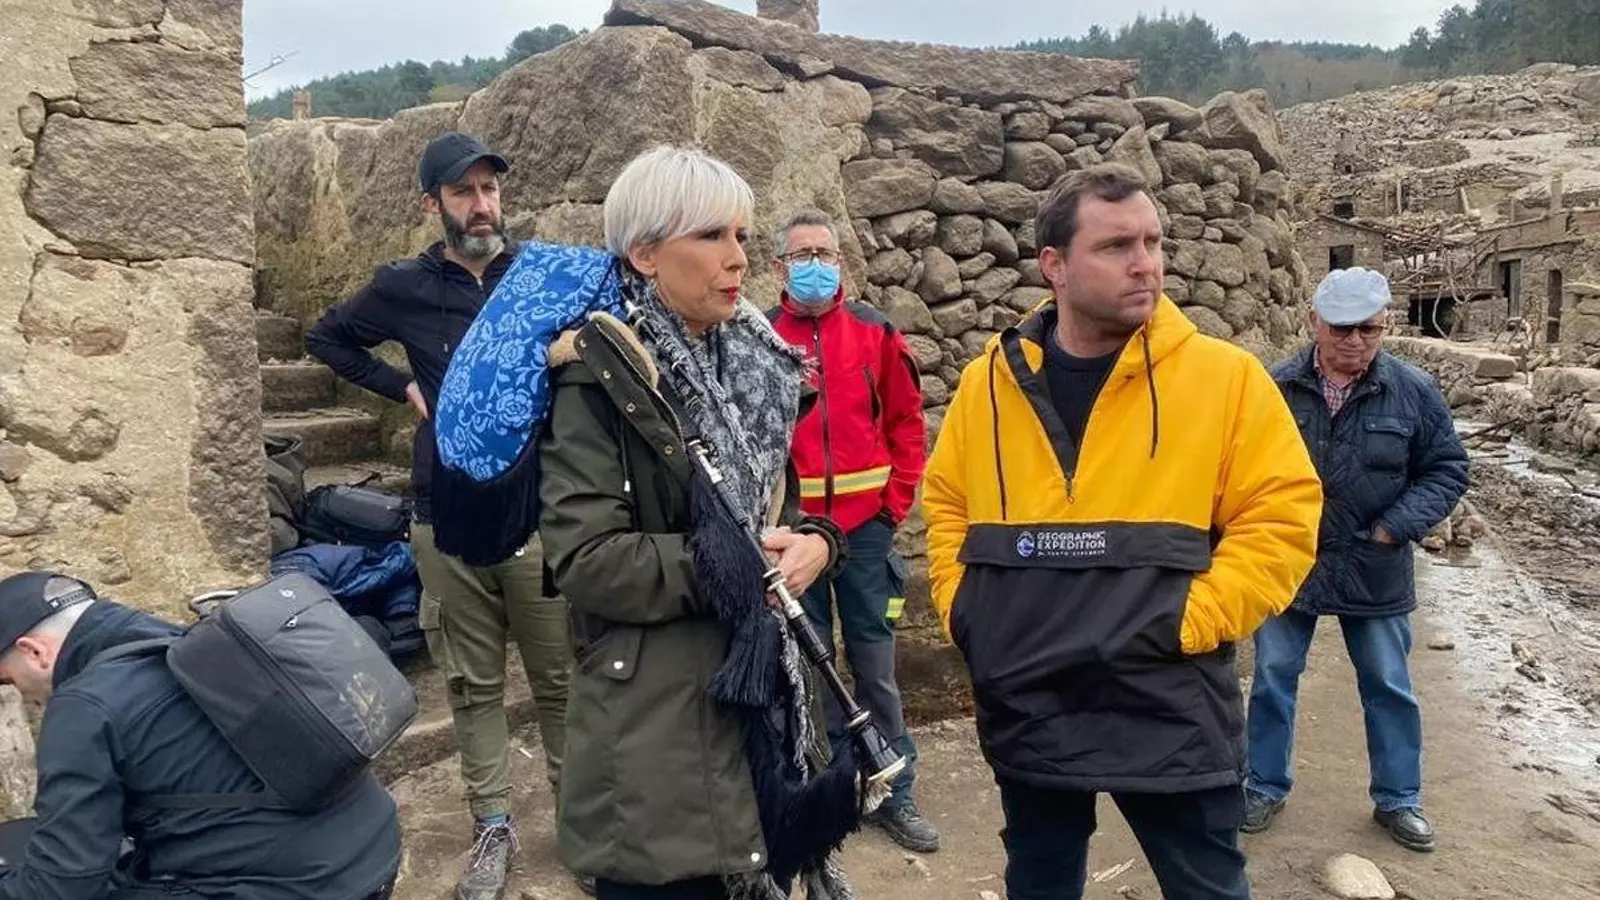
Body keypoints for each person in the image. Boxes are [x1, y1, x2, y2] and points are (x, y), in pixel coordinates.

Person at [920, 162, 1324, 900]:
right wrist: (968, 611)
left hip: (1167, 696)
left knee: (1206, 888)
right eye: (1115, 246)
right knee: (1039, 883)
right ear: (1054, 266)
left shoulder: (1225, 380)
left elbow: (1282, 516)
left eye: (1153, 242)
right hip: (1029, 696)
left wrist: (1188, 620)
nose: (1145, 264)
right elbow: (947, 501)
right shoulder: (989, 384)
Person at [536, 145, 862, 900]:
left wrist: (818, 544)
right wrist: (737, 566)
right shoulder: (599, 379)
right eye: (712, 235)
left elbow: (776, 514)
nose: (738, 257)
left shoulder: (757, 363)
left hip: (762, 703)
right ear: (646, 253)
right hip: (659, 734)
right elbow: (589, 559)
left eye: (741, 235)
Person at [304, 131, 575, 899]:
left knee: (562, 682)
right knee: (472, 684)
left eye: (490, 189)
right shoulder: (403, 286)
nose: (482, 204)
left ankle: (582, 825)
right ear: (434, 204)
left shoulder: (540, 279)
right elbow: (327, 337)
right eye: (463, 192)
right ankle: (492, 828)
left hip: (538, 516)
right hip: (444, 517)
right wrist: (403, 388)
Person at [1242, 267, 1470, 852]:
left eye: (1369, 328)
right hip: (1292, 563)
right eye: (1341, 328)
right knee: (1272, 677)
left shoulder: (1414, 390)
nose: (1355, 341)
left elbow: (1446, 469)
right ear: (1313, 322)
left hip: (1374, 563)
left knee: (1388, 684)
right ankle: (1261, 785)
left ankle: (1399, 799)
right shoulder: (1274, 387)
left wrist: (1394, 528)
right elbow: (1242, 468)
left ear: (1385, 324)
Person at [0, 570, 401, 899]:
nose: (23, 696)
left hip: (295, 886)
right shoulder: (177, 640)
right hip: (369, 854)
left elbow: (62, 886)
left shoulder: (84, 707)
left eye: (9, 680)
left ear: (34, 651)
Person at [765, 208, 938, 853]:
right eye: (802, 255)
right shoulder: (760, 337)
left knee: (874, 665)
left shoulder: (875, 331)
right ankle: (828, 787)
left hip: (865, 534)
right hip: (795, 537)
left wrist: (892, 509)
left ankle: (895, 788)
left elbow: (907, 424)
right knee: (806, 670)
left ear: (841, 261)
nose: (815, 264)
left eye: (825, 253)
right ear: (780, 266)